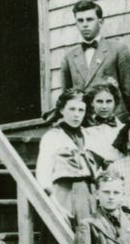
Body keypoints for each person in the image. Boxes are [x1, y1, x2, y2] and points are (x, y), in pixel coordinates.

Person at [60, 0, 130, 117]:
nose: (85, 24)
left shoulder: (118, 50)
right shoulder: (69, 57)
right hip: (84, 123)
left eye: (89, 19)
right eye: (80, 21)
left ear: (101, 22)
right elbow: (66, 96)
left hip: (114, 121)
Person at [36, 88, 99, 224]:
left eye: (81, 110)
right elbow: (43, 176)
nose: (76, 115)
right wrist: (55, 206)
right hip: (63, 199)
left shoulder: (89, 136)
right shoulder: (52, 137)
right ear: (61, 110)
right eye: (72, 109)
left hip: (90, 199)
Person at [84, 83, 123, 165]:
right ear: (92, 102)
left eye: (109, 101)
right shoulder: (85, 129)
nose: (104, 106)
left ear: (115, 102)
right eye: (99, 101)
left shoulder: (123, 128)